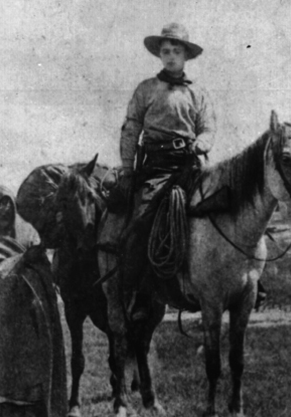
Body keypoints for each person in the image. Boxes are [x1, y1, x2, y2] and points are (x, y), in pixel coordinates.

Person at [118, 23, 217, 321]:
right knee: (142, 219)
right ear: (159, 55)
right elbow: (130, 129)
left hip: (189, 164)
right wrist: (127, 169)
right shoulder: (146, 89)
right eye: (165, 51)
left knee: (220, 209)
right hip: (156, 167)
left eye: (176, 51)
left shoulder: (197, 92)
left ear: (186, 55)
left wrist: (202, 142)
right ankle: (136, 290)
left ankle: (242, 282)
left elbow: (208, 127)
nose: (171, 56)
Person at [0, 186, 68, 417]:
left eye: (8, 204)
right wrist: (22, 261)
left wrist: (36, 261)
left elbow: (41, 264)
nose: (5, 209)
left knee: (32, 358)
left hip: (29, 312)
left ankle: (34, 407)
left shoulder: (27, 231)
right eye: (0, 205)